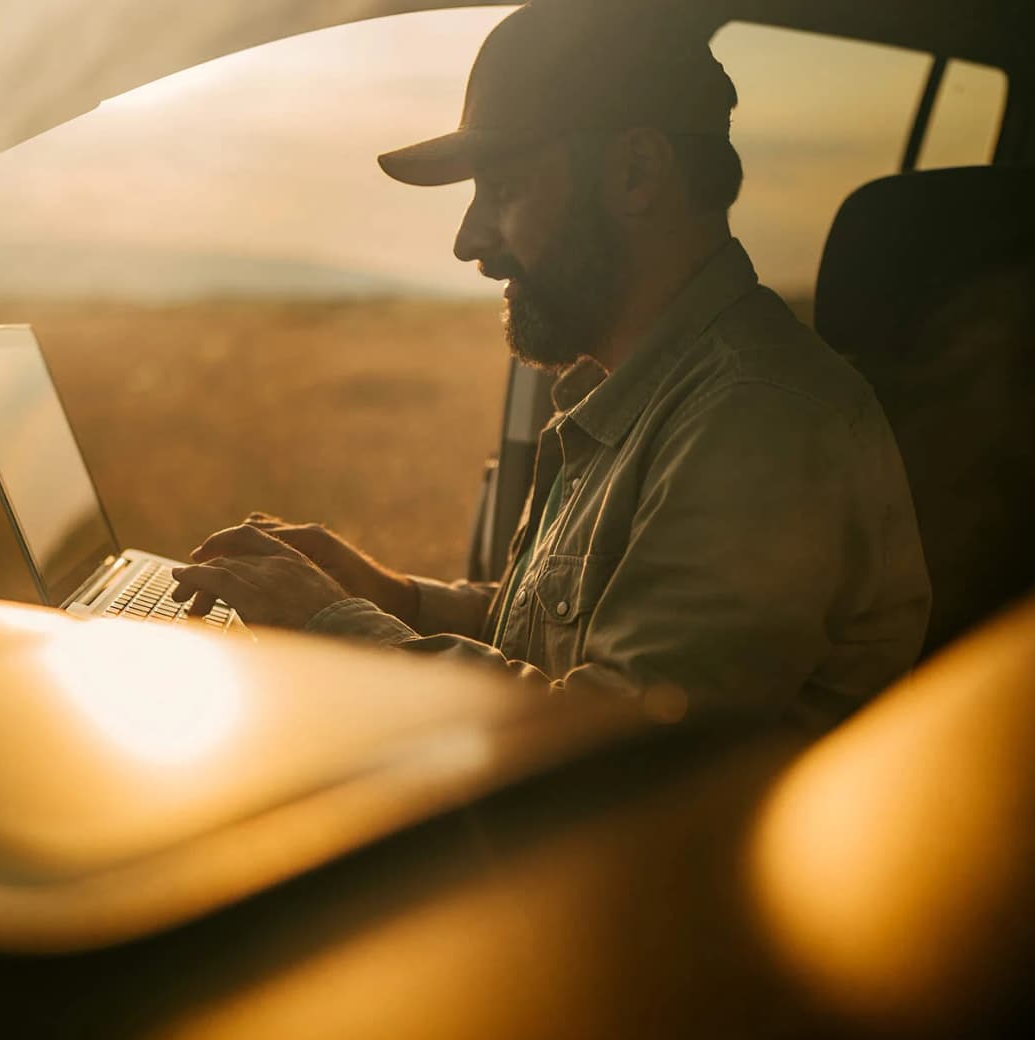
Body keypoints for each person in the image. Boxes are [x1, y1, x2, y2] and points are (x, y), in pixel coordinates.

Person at [172, 0, 930, 729]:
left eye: (501, 188)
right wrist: (391, 596)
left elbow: (616, 746)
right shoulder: (642, 391)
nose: (469, 241)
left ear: (635, 172)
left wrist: (331, 620)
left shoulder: (759, 420)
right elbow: (563, 635)